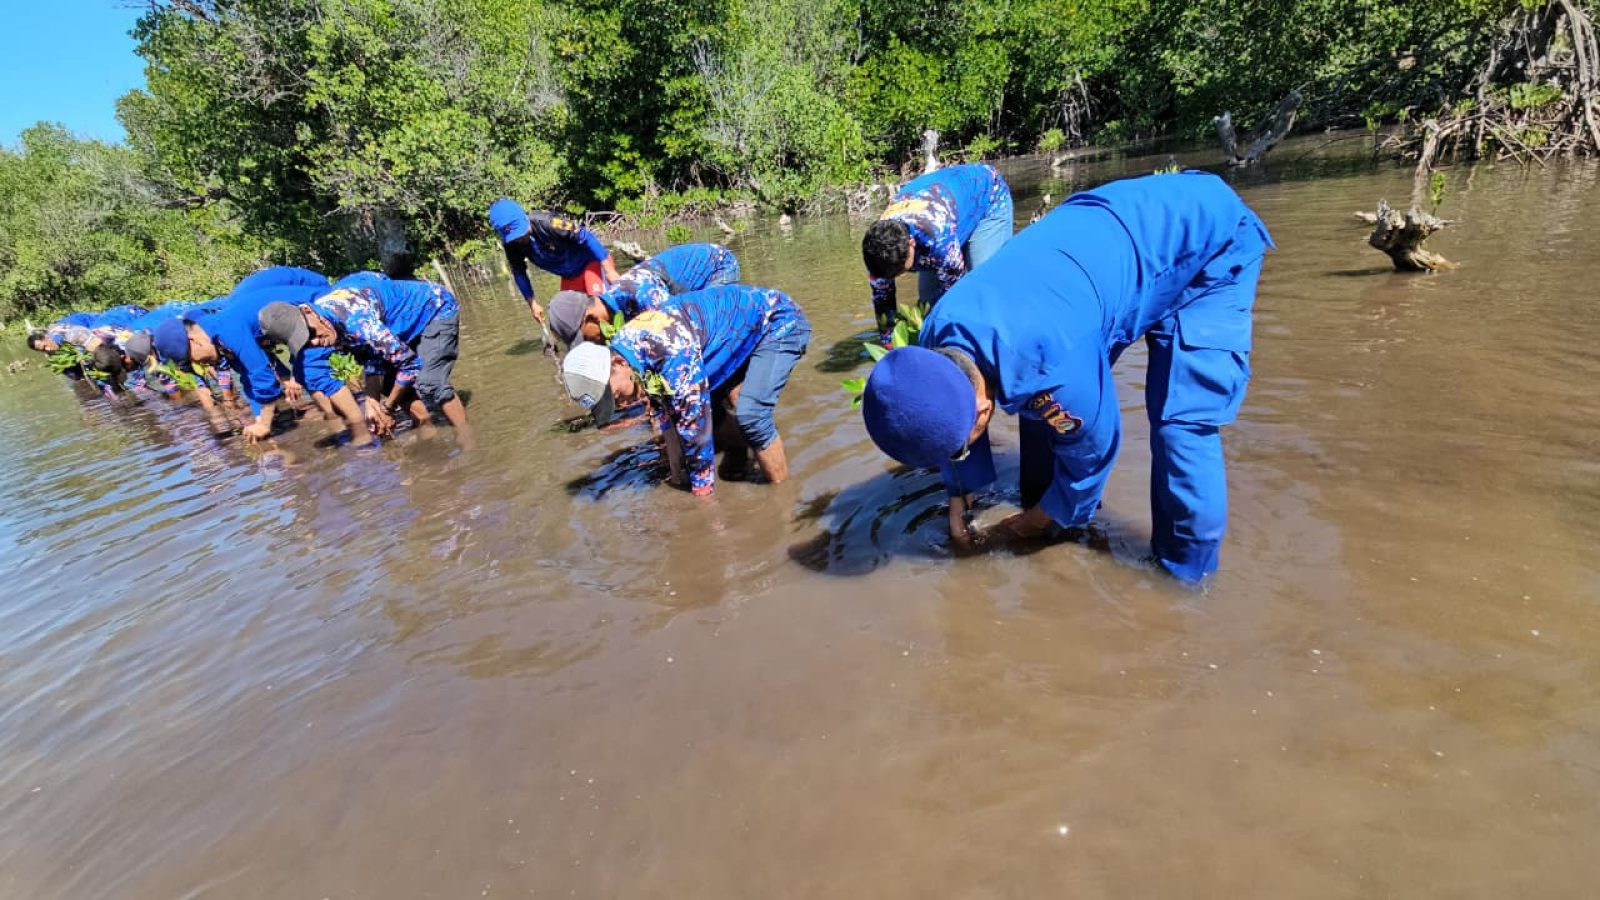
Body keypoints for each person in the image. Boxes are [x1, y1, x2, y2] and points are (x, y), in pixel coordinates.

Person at [859, 171, 1273, 584]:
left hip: (1208, 246)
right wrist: (959, 497)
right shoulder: (937, 336)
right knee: (1034, 403)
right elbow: (956, 404)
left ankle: (1184, 578)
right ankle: (1045, 505)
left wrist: (1031, 524)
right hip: (1103, 238)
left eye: (958, 447)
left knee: (1181, 426)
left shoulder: (1057, 367)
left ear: (983, 413)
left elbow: (1092, 455)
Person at [560, 284, 809, 494]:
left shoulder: (669, 357)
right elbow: (669, 420)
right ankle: (748, 447)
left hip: (778, 322)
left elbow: (696, 437)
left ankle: (782, 500)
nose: (622, 405)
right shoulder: (630, 355)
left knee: (751, 415)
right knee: (713, 416)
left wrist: (703, 511)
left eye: (615, 396)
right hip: (731, 335)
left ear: (617, 364)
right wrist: (678, 475)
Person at [258, 272, 468, 438]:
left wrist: (387, 407)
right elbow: (371, 358)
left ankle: (466, 438)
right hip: (396, 327)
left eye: (311, 333)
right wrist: (371, 401)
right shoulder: (329, 324)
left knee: (430, 381)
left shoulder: (356, 320)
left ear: (309, 311)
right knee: (386, 384)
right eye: (305, 342)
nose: (315, 341)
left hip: (435, 309)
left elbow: (409, 365)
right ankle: (424, 425)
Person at [152, 283, 331, 443]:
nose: (202, 363)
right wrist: (258, 418)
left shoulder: (228, 329)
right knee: (306, 375)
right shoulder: (217, 335)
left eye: (194, 359)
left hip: (318, 307)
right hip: (299, 320)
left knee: (312, 375)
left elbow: (261, 372)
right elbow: (248, 378)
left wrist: (265, 424)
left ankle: (346, 428)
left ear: (194, 341)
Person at [861, 163, 1013, 344]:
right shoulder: (877, 250)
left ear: (911, 243)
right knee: (927, 304)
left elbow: (953, 296)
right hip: (944, 206)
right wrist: (889, 347)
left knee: (981, 291)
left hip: (988, 198)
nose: (898, 276)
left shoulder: (936, 238)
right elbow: (883, 303)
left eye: (901, 270)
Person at [545, 242, 742, 348]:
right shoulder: (617, 310)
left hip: (716, 266)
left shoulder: (640, 294)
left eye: (586, 338)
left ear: (590, 318)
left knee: (707, 335)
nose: (593, 343)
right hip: (684, 287)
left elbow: (679, 332)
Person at [488, 198, 621, 322]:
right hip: (570, 276)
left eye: (521, 233)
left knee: (599, 313)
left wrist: (609, 270)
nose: (520, 239)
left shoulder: (549, 222)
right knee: (568, 321)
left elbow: (585, 236)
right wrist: (532, 304)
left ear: (523, 218)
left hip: (592, 263)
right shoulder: (512, 245)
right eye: (515, 237)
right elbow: (519, 273)